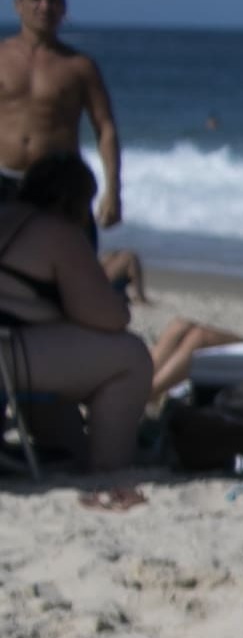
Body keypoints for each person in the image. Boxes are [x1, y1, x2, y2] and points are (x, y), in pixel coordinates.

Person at [0, 153, 154, 491]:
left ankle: (65, 448)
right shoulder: (55, 230)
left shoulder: (7, 215)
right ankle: (108, 466)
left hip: (13, 343)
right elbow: (108, 318)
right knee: (130, 357)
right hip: (9, 353)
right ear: (74, 200)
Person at [0, 0, 119, 231]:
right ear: (17, 5)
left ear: (63, 8)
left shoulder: (79, 66)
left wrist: (113, 191)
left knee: (70, 265)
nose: (45, 7)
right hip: (3, 180)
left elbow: (105, 128)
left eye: (53, 1)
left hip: (59, 186)